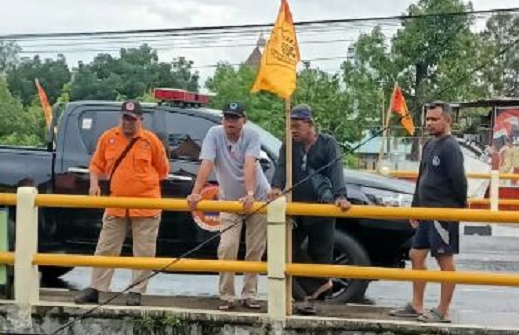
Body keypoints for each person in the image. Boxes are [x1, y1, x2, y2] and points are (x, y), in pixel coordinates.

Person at [75, 100, 169, 307]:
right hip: (116, 204)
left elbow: (162, 170)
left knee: (143, 250)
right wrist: (94, 185)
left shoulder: (151, 141)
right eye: (125, 118)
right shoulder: (108, 138)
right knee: (105, 247)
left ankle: (136, 290)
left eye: (132, 120)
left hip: (146, 205)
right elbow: (96, 165)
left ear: (140, 120)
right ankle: (97, 288)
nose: (128, 123)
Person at [188, 101, 270, 311]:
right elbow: (207, 163)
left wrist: (250, 194)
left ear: (244, 120)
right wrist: (196, 192)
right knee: (227, 246)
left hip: (258, 196)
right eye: (227, 118)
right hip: (229, 199)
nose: (230, 122)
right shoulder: (214, 134)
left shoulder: (251, 136)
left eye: (235, 118)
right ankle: (226, 295)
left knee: (255, 248)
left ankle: (250, 294)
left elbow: (250, 164)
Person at [270, 104, 351, 315]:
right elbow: (281, 168)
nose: (293, 130)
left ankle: (310, 301)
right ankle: (314, 289)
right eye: (290, 126)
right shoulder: (289, 145)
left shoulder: (327, 144)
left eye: (296, 126)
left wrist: (340, 196)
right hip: (296, 207)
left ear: (310, 124)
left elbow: (336, 170)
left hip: (321, 207)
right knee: (288, 249)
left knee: (320, 253)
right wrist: (276, 188)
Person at [391, 102, 467, 323]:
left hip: (443, 212)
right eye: (428, 119)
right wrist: (415, 207)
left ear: (447, 121)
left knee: (444, 259)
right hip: (425, 210)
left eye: (434, 119)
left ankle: (442, 311)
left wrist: (459, 207)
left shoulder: (451, 147)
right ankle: (417, 304)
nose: (430, 123)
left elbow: (459, 181)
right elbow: (421, 178)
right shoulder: (430, 145)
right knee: (416, 255)